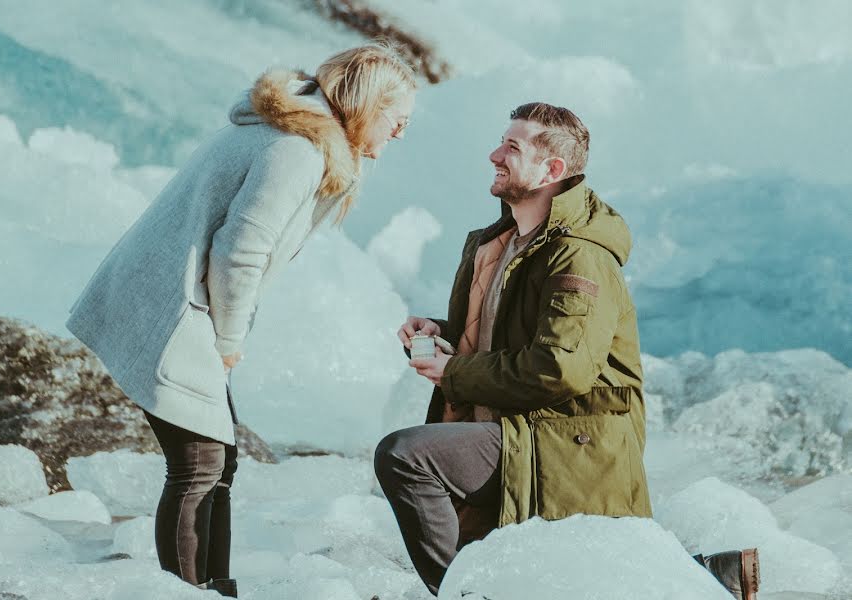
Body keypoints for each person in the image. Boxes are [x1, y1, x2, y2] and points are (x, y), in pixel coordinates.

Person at [66, 43, 416, 597]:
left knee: (218, 461)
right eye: (398, 120)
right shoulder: (297, 152)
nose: (399, 134)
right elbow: (239, 254)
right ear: (368, 104)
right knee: (200, 462)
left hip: (174, 299)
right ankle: (186, 592)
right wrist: (227, 344)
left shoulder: (293, 135)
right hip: (170, 305)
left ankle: (215, 588)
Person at [374, 103, 759, 600]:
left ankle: (465, 593)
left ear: (552, 170)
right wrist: (446, 333)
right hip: (525, 428)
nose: (494, 154)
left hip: (572, 442)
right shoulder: (505, 243)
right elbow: (517, 335)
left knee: (408, 456)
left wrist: (455, 372)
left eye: (512, 148)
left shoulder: (580, 252)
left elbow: (561, 367)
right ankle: (707, 575)